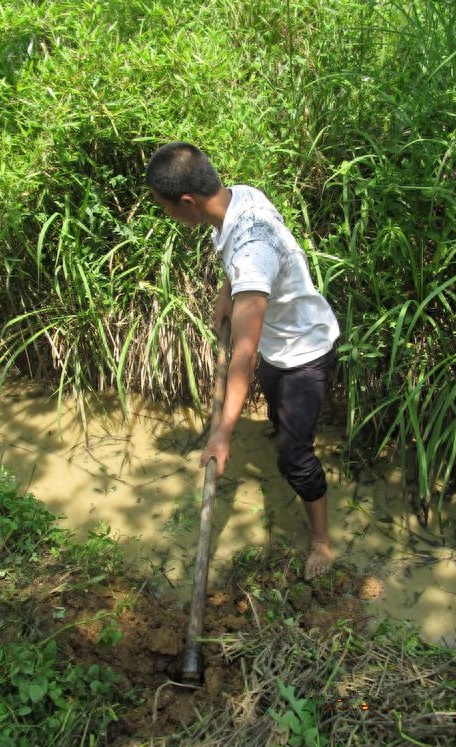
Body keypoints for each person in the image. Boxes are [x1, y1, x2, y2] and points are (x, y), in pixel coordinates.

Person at [145, 142, 340, 579]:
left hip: (304, 352)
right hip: (280, 341)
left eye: (165, 207)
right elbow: (243, 269)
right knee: (279, 417)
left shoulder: (250, 252)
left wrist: (222, 433)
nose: (167, 215)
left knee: (294, 458)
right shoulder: (239, 197)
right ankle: (285, 431)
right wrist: (227, 292)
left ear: (188, 202)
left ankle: (323, 543)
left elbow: (244, 354)